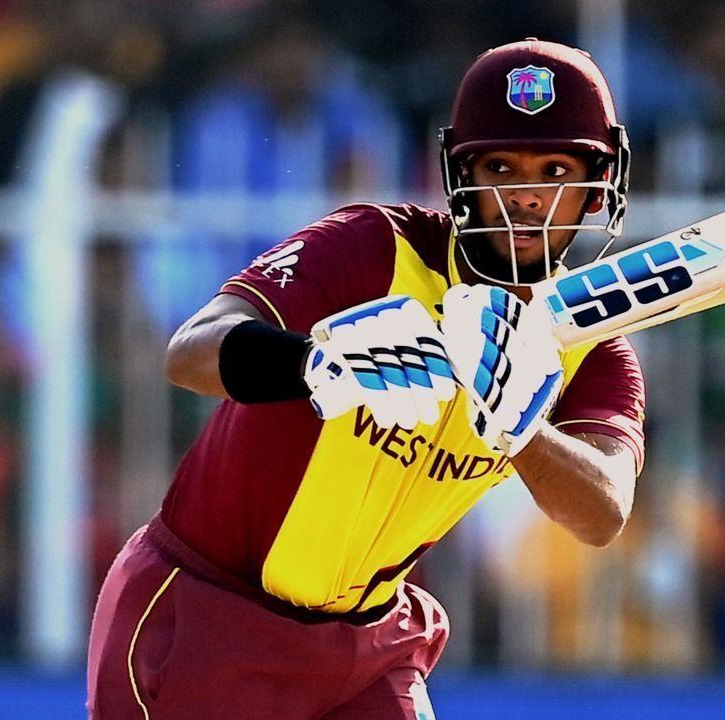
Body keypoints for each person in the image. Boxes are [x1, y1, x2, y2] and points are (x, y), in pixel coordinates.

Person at [87, 38, 645, 719]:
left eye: (555, 169)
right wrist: (317, 364)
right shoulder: (373, 248)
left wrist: (516, 427)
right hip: (208, 614)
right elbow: (190, 353)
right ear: (458, 173)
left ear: (597, 186)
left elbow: (602, 511)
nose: (525, 197)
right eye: (499, 166)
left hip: (368, 647)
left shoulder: (588, 348)